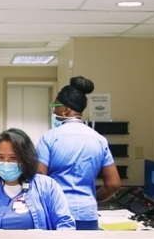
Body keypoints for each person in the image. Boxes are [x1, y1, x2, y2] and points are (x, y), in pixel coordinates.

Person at [37, 76, 121, 230]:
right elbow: (113, 184)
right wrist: (90, 198)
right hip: (87, 214)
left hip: (56, 213)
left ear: (67, 109)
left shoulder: (49, 138)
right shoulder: (99, 140)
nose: (54, 110)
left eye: (56, 105)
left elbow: (40, 181)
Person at [0, 128, 75, 230]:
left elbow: (65, 224)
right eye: (1, 157)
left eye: (13, 158)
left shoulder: (47, 186)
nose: (6, 164)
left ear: (25, 159)